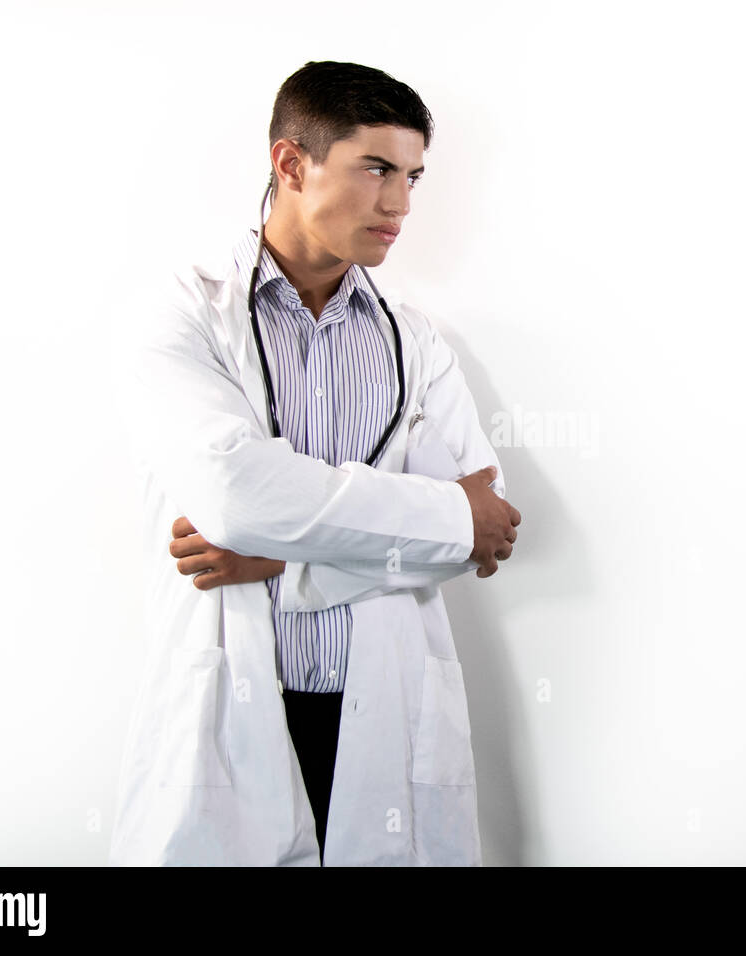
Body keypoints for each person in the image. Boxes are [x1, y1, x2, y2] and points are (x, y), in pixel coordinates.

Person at [108, 60, 521, 866]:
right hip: (231, 706)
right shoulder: (184, 312)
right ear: (291, 164)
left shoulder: (418, 344)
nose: (399, 204)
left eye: (412, 176)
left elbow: (489, 531)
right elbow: (234, 490)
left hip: (386, 707)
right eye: (375, 168)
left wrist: (272, 554)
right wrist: (432, 519)